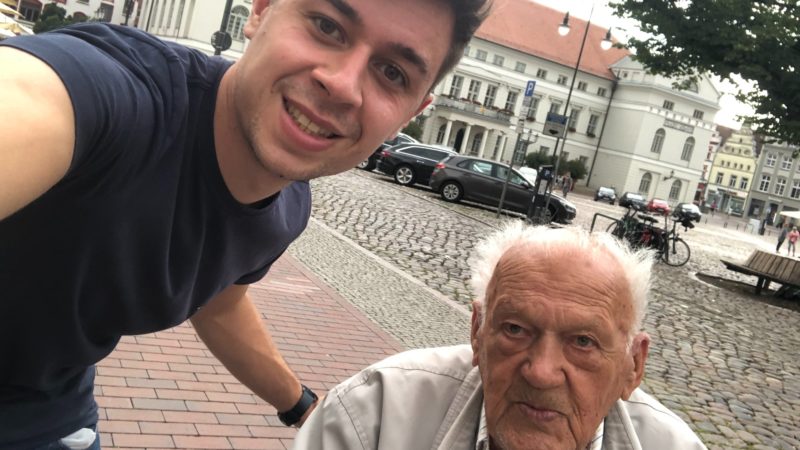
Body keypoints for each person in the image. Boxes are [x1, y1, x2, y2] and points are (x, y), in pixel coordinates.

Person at [0, 0, 491, 447]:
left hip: (53, 410)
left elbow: (218, 299)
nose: (341, 84)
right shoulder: (121, 99)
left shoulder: (285, 208)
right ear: (260, 10)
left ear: (413, 112)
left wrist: (302, 405)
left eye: (392, 72)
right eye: (327, 26)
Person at [291, 223, 707, 450]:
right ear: (477, 332)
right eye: (514, 329)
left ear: (633, 366)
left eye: (583, 342)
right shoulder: (374, 414)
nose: (541, 373)